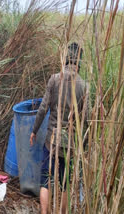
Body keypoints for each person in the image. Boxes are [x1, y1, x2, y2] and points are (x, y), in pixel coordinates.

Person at [29, 43, 89, 214]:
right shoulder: (84, 86)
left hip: (52, 141)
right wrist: (82, 146)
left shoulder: (55, 79)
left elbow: (43, 109)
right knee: (65, 183)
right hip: (70, 144)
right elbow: (87, 119)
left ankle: (43, 212)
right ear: (79, 62)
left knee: (45, 180)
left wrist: (34, 130)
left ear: (65, 59)